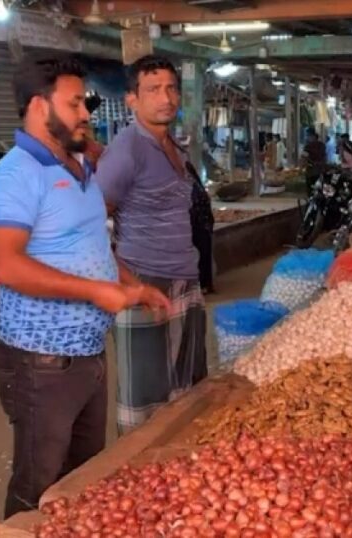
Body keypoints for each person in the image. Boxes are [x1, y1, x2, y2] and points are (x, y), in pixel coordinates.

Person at [0, 53, 169, 518]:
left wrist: (131, 284)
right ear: (37, 106)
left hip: (87, 355)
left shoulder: (80, 166)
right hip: (40, 361)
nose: (86, 113)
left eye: (84, 103)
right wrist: (96, 292)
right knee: (37, 484)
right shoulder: (15, 175)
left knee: (83, 478)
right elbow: (4, 266)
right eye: (74, 104)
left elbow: (91, 246)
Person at [94, 55, 210, 434]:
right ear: (131, 99)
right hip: (143, 281)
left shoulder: (172, 145)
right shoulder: (126, 150)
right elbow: (89, 226)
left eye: (172, 88)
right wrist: (129, 283)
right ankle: (137, 469)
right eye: (154, 90)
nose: (166, 98)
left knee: (188, 394)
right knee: (144, 404)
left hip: (184, 280)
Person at [186, 161, 215, 294]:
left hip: (198, 222)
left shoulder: (190, 184)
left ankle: (203, 284)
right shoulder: (195, 184)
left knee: (203, 254)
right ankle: (204, 284)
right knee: (204, 254)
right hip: (200, 222)